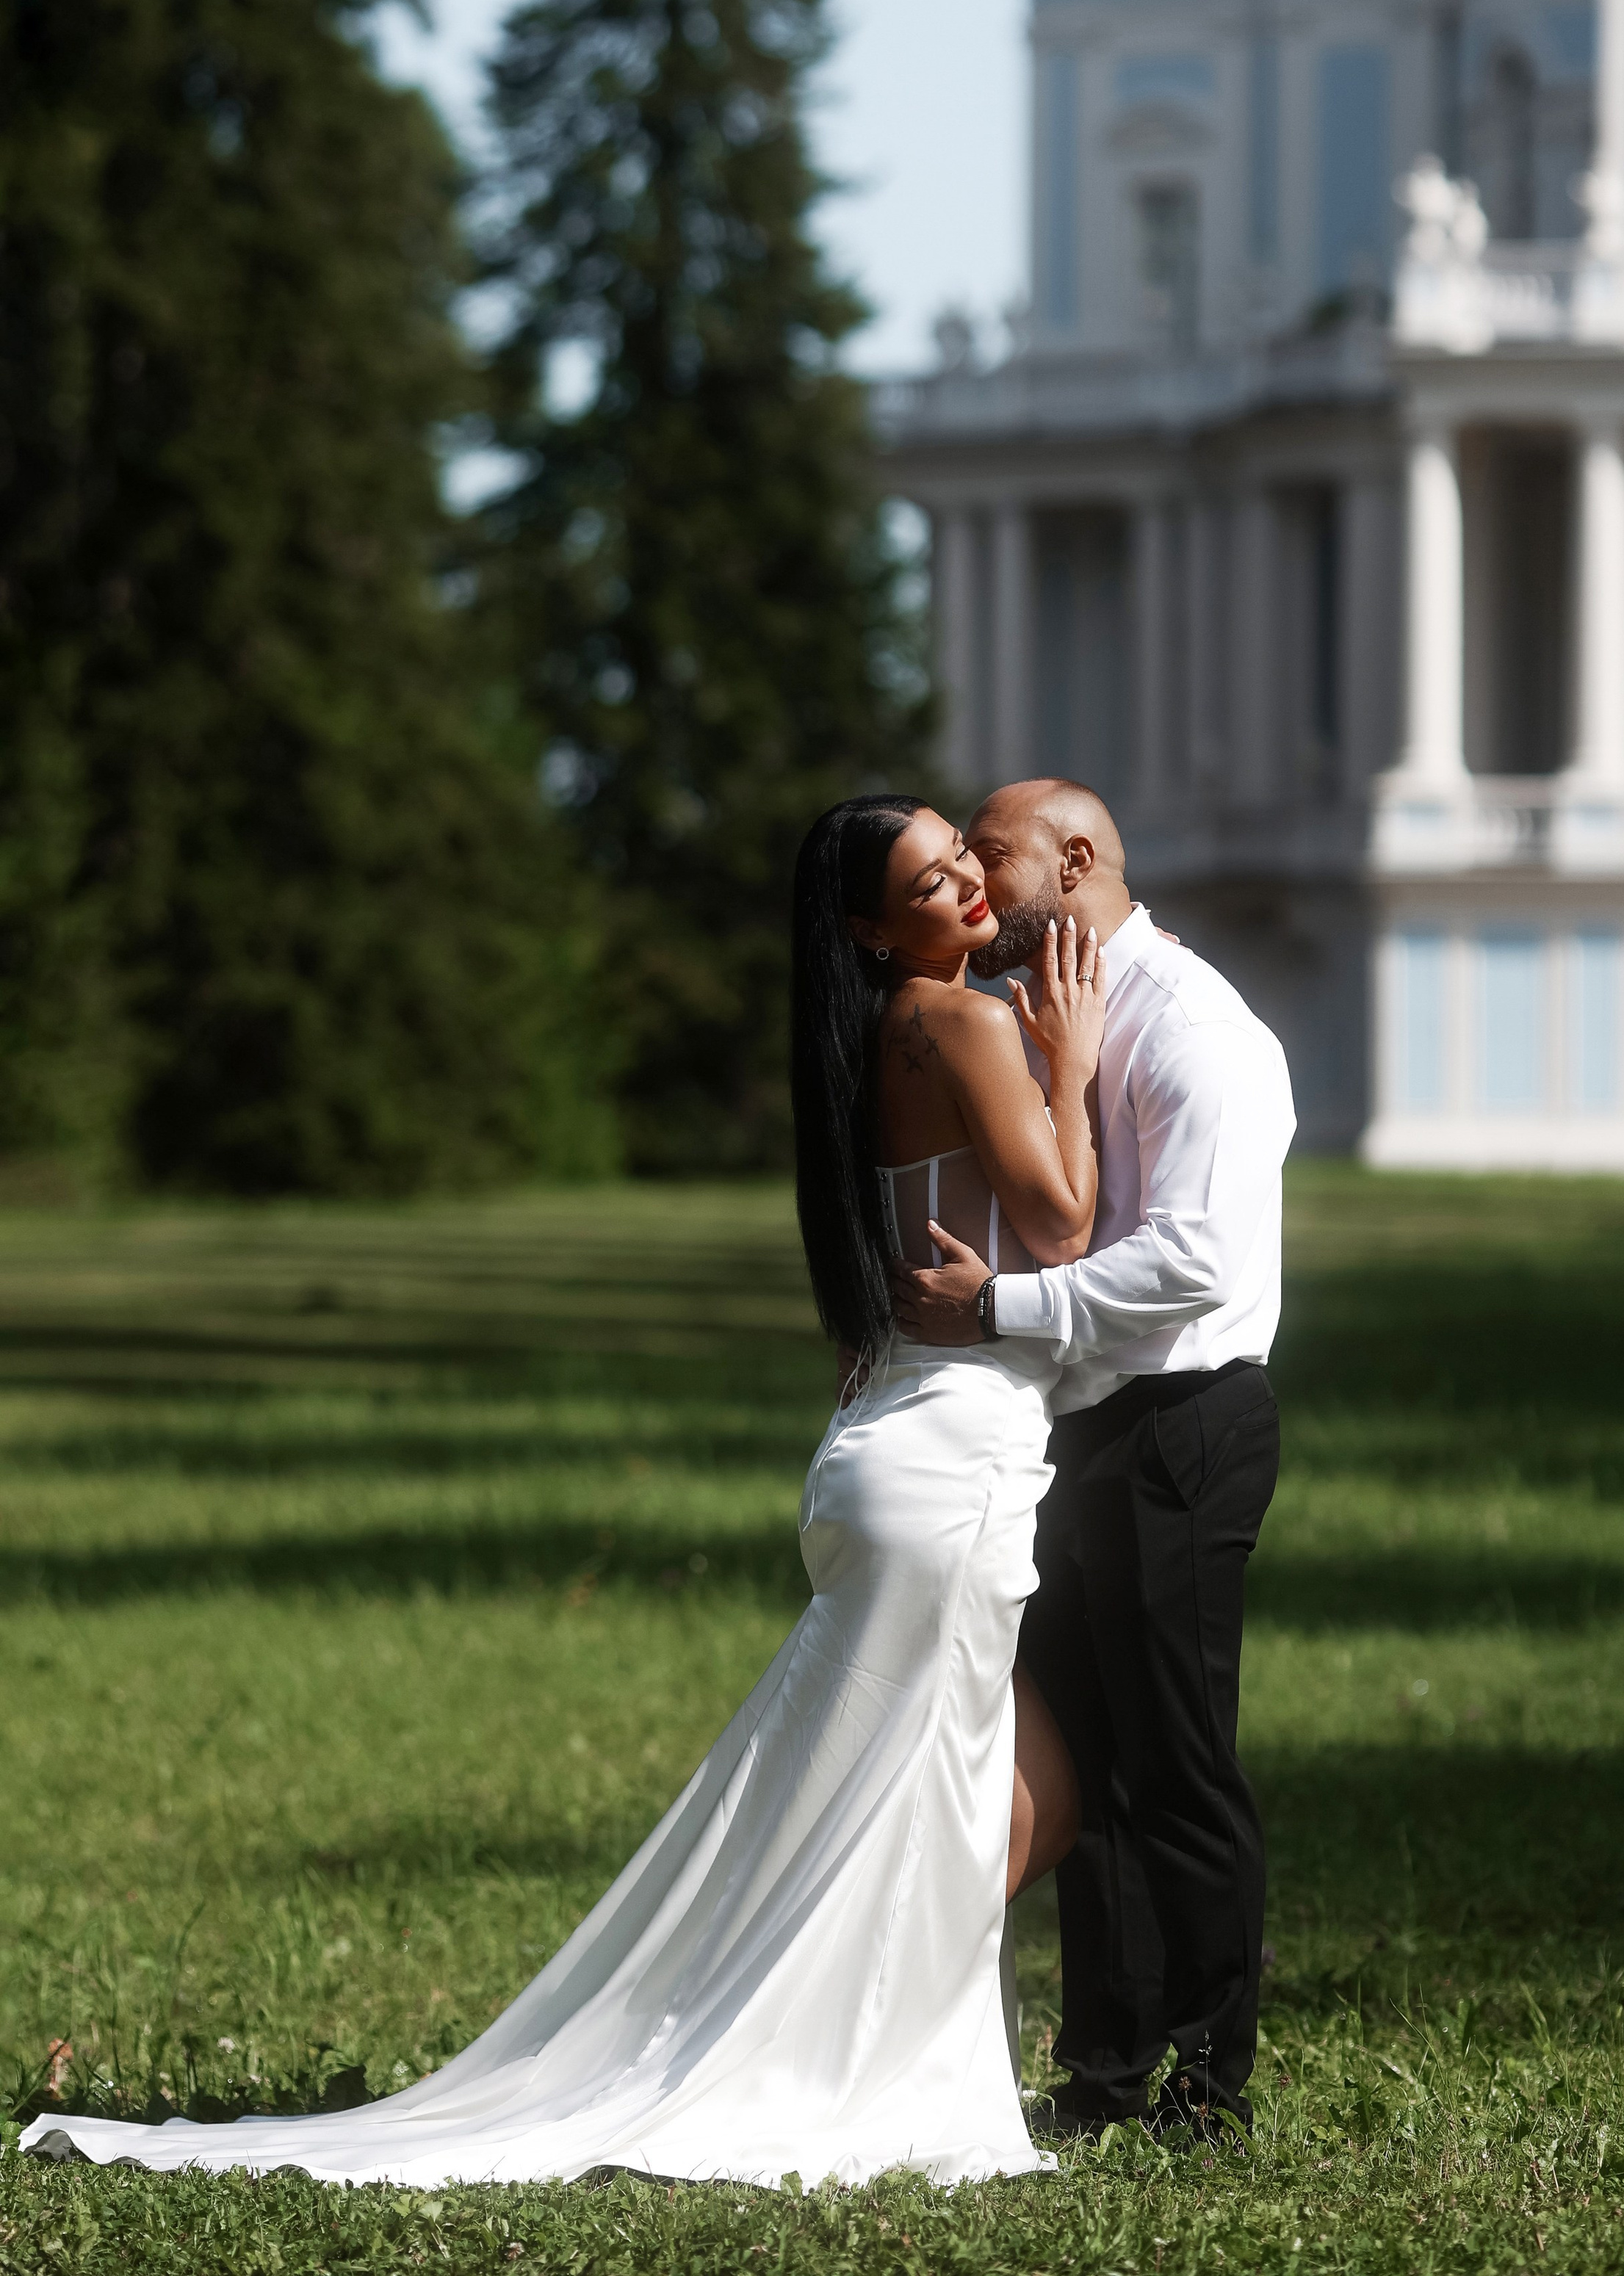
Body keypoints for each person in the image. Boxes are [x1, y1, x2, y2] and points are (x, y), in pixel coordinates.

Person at [24, 795, 1100, 2192]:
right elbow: (1064, 1220)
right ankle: (810, 2052)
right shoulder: (957, 1023)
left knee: (1010, 1797)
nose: (963, 883)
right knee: (933, 1801)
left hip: (899, 1439)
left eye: (962, 855)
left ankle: (826, 2023)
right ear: (865, 926)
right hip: (947, 1463)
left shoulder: (860, 1045)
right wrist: (1068, 1062)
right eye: (926, 878)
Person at [895, 778, 1293, 2145]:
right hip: (1080, 1427)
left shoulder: (1202, 1032)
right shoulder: (1050, 1015)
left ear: (1076, 859)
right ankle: (1105, 2071)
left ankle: (1212, 2079)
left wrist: (993, 1311)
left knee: (1179, 1764)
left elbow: (1191, 1264)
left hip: (1185, 1423)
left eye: (992, 857)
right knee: (1094, 1768)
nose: (978, 885)